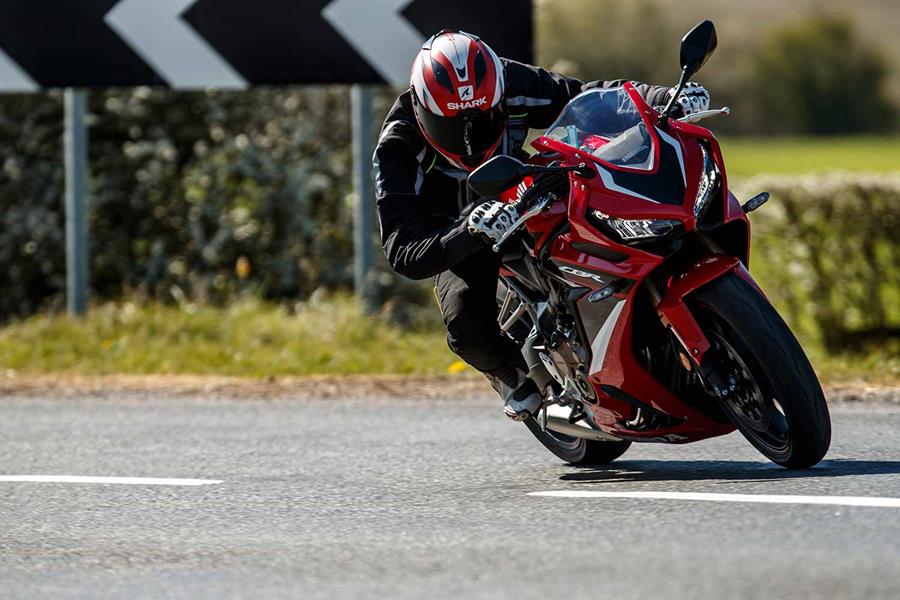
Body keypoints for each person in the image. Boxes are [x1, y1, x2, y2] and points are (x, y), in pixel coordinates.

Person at [373, 30, 710, 421]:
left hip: (520, 186)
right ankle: (510, 376)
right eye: (452, 125)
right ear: (420, 108)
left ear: (498, 94)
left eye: (483, 119)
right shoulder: (398, 145)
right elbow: (403, 249)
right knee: (465, 320)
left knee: (624, 210)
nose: (468, 139)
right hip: (455, 228)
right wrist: (471, 230)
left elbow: (590, 97)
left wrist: (662, 98)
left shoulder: (511, 81)